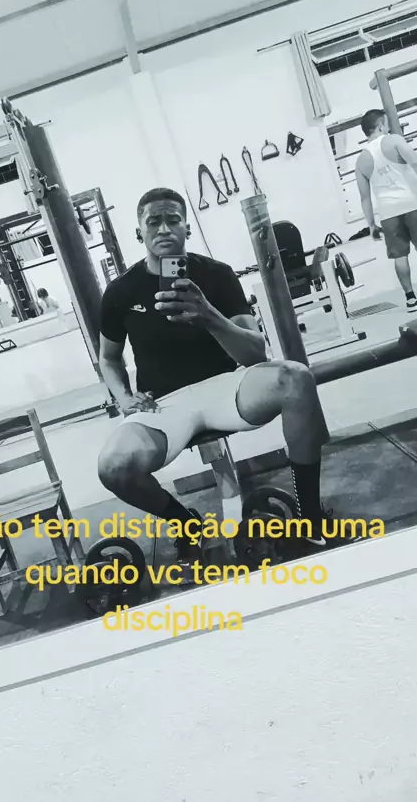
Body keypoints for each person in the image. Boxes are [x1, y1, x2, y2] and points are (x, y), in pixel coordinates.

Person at [97, 187, 330, 575]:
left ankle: (310, 520)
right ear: (139, 233)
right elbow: (108, 358)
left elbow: (256, 353)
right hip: (163, 405)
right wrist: (124, 398)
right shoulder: (120, 292)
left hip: (226, 386)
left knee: (296, 379)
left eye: (173, 219)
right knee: (112, 467)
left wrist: (208, 314)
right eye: (153, 221)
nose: (164, 229)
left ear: (187, 227)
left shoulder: (217, 275)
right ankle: (185, 523)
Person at [356, 109, 417, 312]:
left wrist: (371, 225)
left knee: (400, 256)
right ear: (381, 125)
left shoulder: (361, 160)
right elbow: (415, 162)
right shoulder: (394, 140)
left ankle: (411, 298)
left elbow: (365, 197)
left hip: (388, 213)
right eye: (387, 123)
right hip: (413, 204)